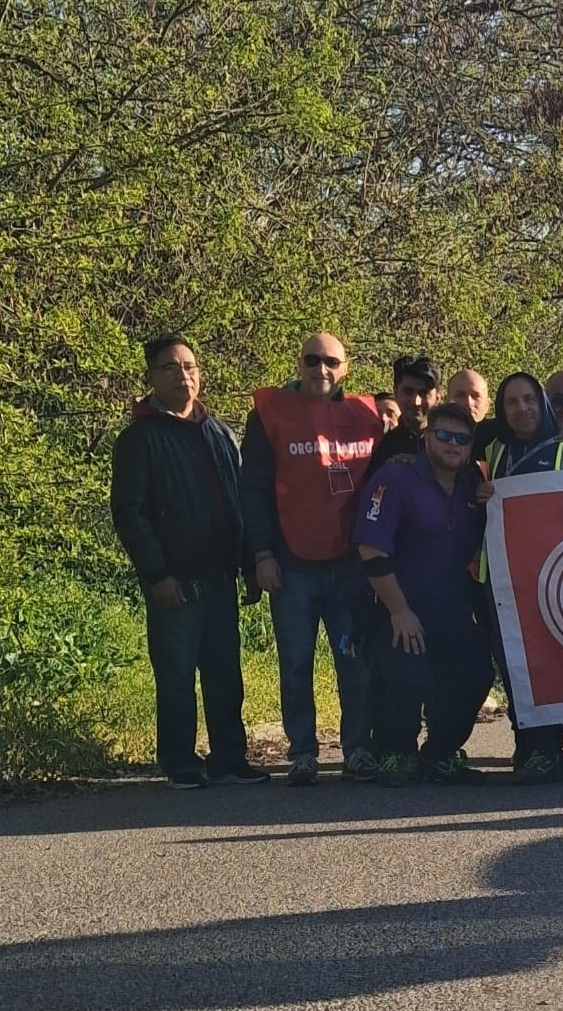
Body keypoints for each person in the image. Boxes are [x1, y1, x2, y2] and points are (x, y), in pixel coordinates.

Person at [109, 335, 266, 789]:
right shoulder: (139, 438)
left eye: (191, 367)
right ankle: (179, 762)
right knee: (176, 676)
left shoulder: (217, 433)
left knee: (224, 673)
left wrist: (247, 566)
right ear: (152, 378)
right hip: (174, 580)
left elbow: (237, 504)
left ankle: (229, 760)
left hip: (220, 577)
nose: (184, 376)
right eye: (171, 368)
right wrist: (156, 573)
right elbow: (129, 514)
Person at [238, 333, 384, 786]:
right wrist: (261, 554)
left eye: (331, 362)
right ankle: (302, 752)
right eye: (312, 360)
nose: (321, 369)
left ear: (346, 367)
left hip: (347, 566)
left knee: (354, 662)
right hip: (291, 563)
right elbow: (254, 489)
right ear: (299, 363)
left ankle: (357, 749)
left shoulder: (367, 415)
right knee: (296, 662)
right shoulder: (270, 413)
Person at [353, 403, 498, 787]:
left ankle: (440, 753)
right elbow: (371, 548)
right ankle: (393, 751)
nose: (453, 445)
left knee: (477, 672)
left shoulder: (474, 487)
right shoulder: (394, 478)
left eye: (462, 439)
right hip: (394, 609)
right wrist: (399, 610)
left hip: (449, 609)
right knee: (409, 675)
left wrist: (497, 502)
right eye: (444, 435)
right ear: (426, 437)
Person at [483, 372, 563, 783]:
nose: (521, 409)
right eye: (511, 402)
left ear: (541, 404)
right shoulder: (490, 452)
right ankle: (539, 750)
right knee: (522, 669)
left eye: (529, 400)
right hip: (508, 584)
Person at [368, 355, 441, 468]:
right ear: (396, 393)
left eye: (423, 393)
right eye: (408, 392)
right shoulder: (381, 447)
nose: (416, 402)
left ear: (438, 398)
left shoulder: (452, 442)